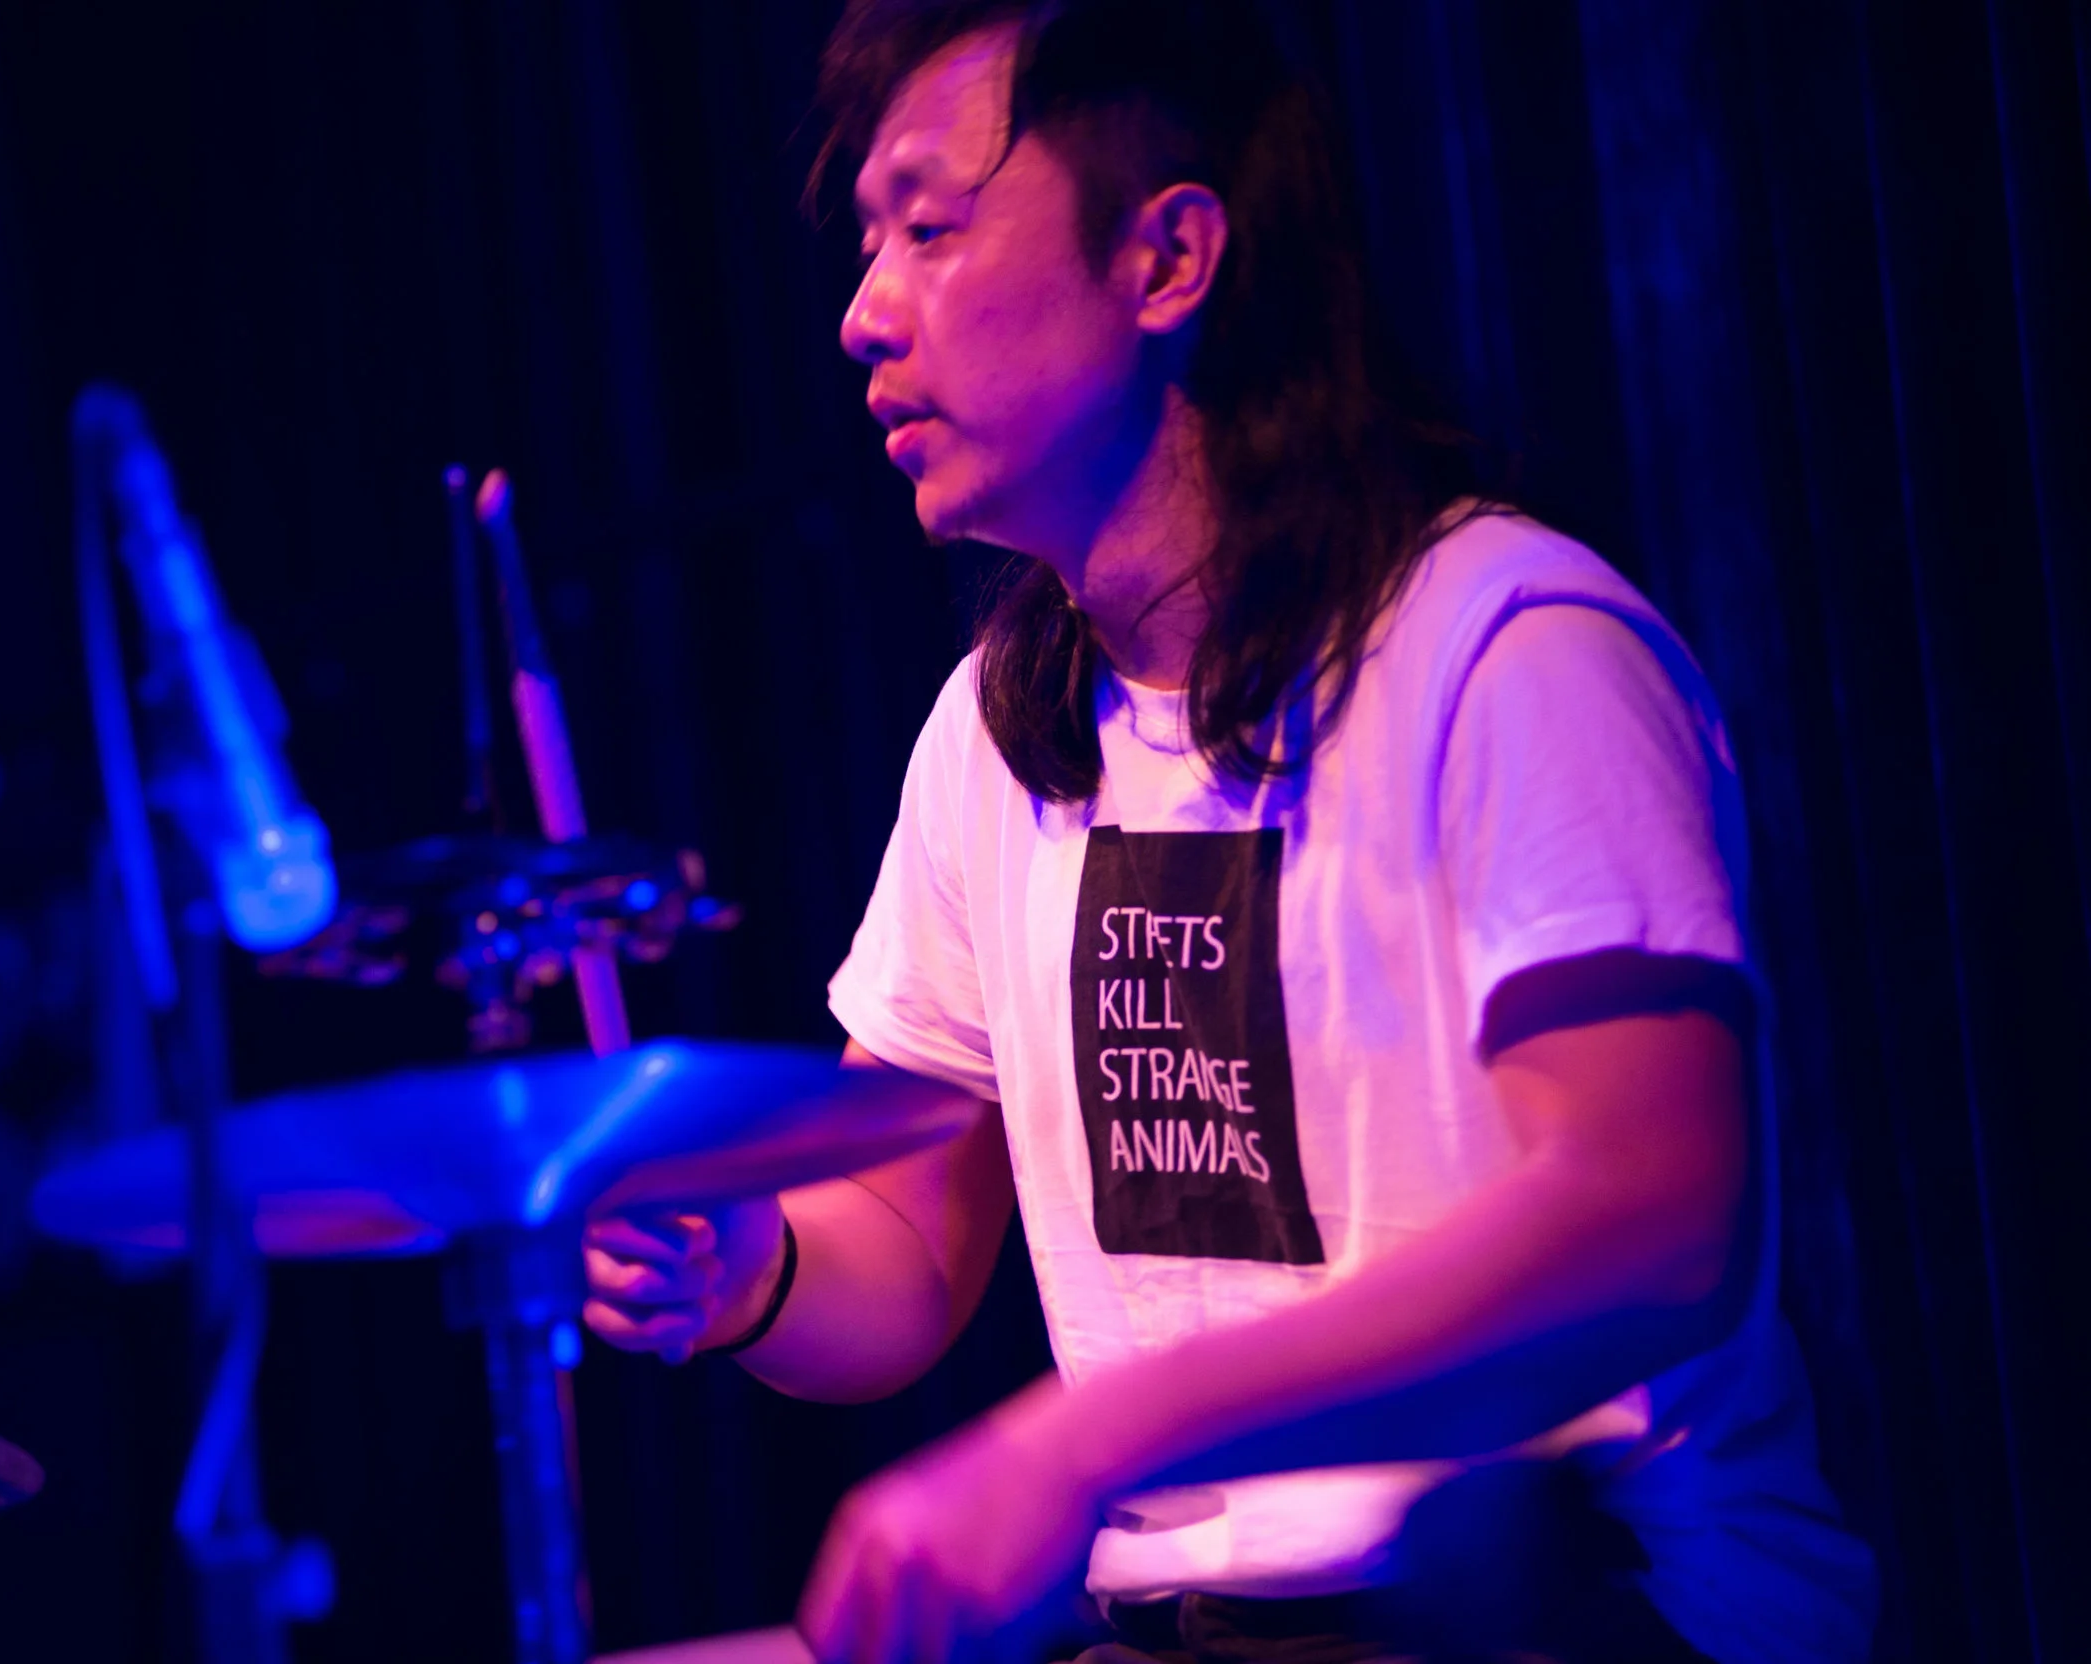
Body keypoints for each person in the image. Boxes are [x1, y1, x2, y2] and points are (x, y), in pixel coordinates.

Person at [581, 3, 1876, 1660]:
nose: (862, 313)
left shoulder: (1505, 646)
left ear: (1169, 259)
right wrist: (748, 1262)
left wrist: (1089, 1440)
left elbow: (1655, 1220)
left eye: (930, 229)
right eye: (865, 249)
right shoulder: (996, 733)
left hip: (1578, 1609)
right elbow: (900, 1243)